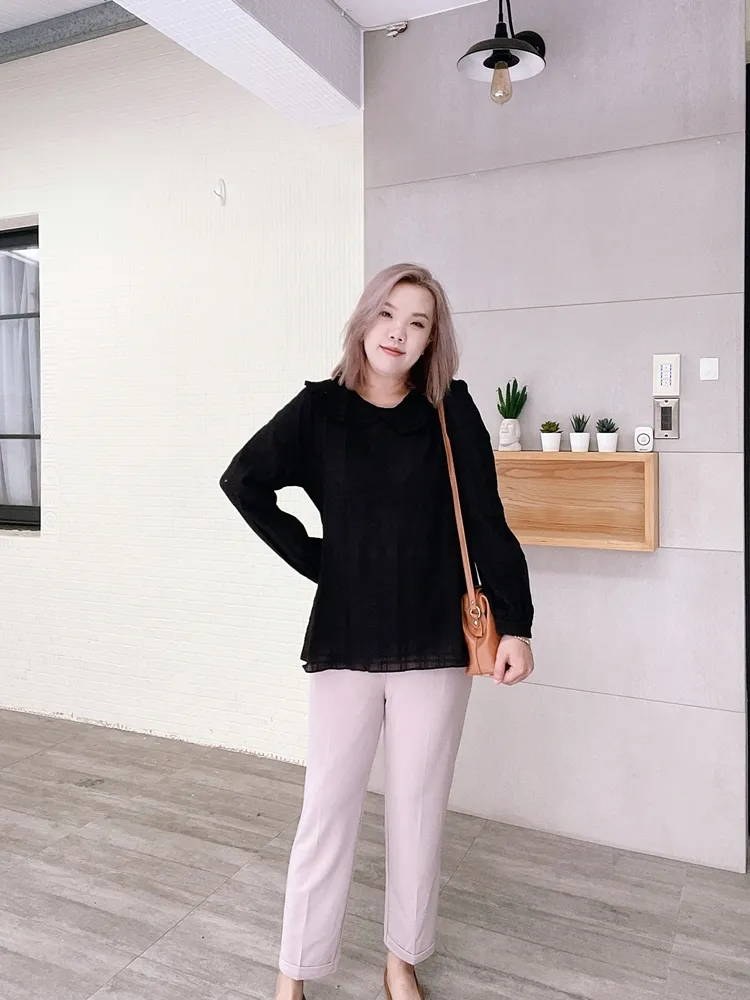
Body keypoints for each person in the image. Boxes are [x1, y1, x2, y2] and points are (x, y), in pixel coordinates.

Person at [219, 263, 534, 1000]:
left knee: (417, 810)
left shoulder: (450, 411)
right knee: (326, 808)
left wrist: (515, 625)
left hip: (437, 642)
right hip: (346, 638)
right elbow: (243, 481)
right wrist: (319, 559)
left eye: (418, 322)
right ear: (364, 320)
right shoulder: (319, 411)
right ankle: (295, 969)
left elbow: (486, 520)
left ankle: (401, 960)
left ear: (431, 340)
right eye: (388, 313)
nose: (399, 332)